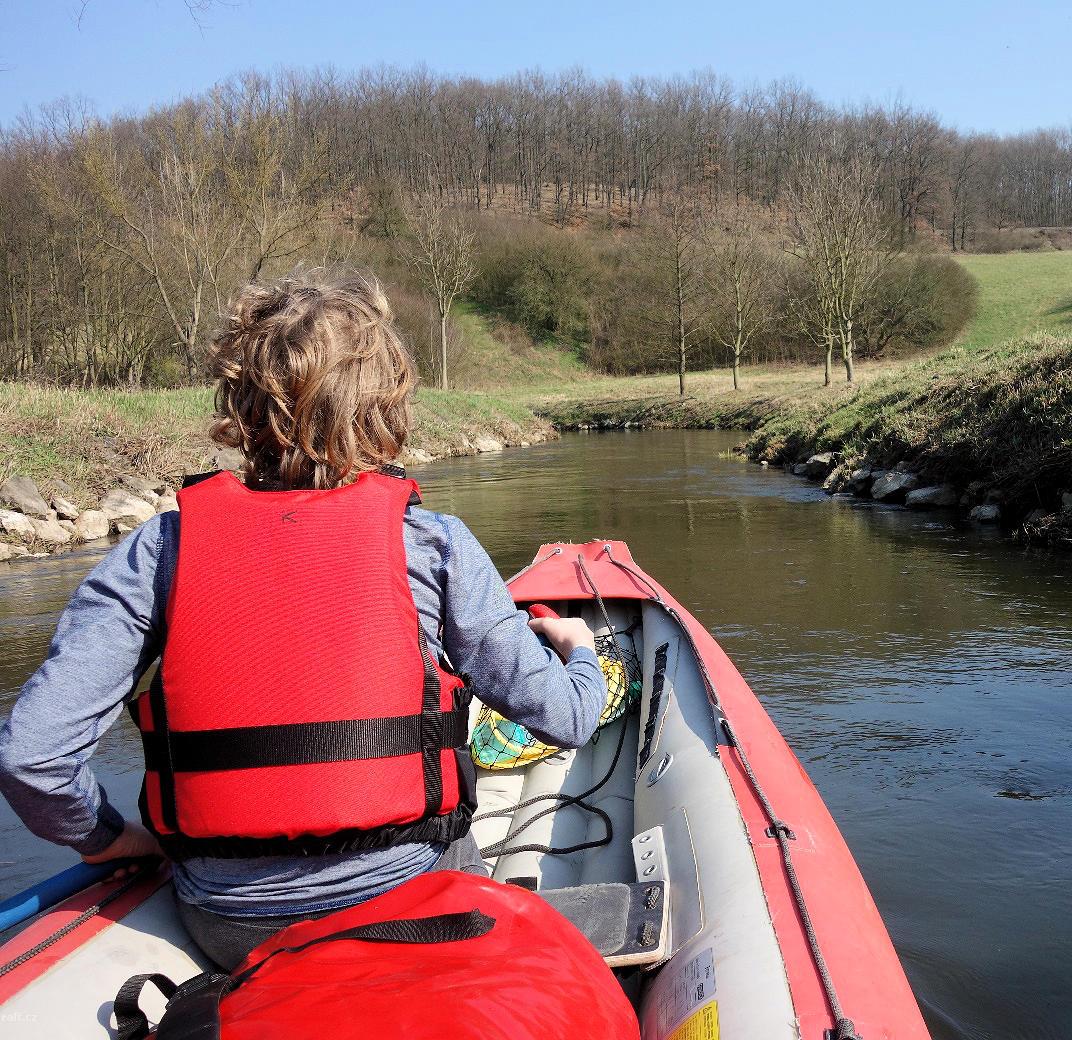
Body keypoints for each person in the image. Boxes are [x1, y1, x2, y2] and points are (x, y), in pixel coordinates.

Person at [0, 270, 607, 969]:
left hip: (230, 927)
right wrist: (581, 651)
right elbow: (566, 717)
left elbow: (32, 758)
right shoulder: (433, 544)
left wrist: (107, 839)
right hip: (412, 898)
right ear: (386, 410)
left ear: (239, 406)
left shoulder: (155, 554)